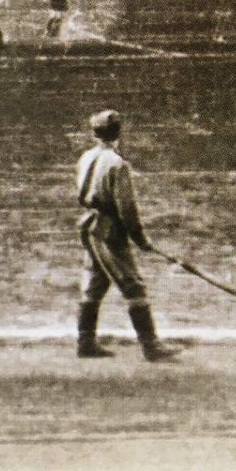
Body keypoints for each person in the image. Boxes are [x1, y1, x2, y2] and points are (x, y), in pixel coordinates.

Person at [74, 110, 178, 362]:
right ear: (118, 132)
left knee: (94, 284)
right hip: (109, 230)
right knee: (134, 286)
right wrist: (139, 237)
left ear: (94, 133)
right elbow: (127, 207)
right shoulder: (118, 164)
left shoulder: (86, 157)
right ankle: (151, 346)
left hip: (89, 225)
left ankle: (86, 343)